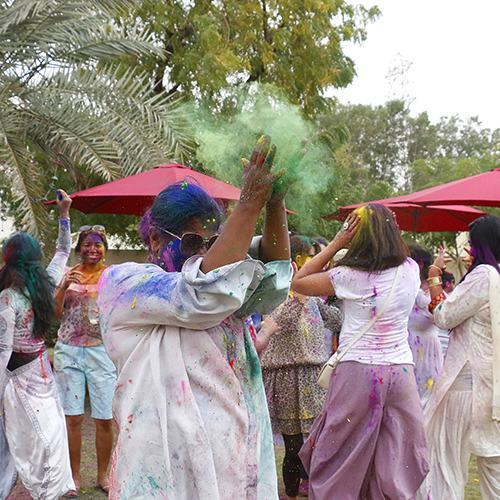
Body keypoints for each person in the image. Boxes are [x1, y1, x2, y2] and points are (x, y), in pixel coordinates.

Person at [97, 136, 293, 500]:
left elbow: (272, 284)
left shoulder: (219, 277)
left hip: (233, 447)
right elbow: (202, 295)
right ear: (155, 240)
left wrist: (274, 203)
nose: (205, 253)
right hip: (164, 458)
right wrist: (249, 203)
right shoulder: (125, 284)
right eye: (192, 242)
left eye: (213, 242)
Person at [293, 204, 429, 500]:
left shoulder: (347, 276)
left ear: (357, 237)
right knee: (395, 455)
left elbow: (299, 281)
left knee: (338, 458)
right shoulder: (410, 269)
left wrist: (336, 243)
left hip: (358, 374)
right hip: (401, 374)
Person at [418, 215, 500, 500]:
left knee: (445, 460)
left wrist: (433, 277)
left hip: (467, 384)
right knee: (493, 466)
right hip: (492, 383)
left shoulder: (483, 276)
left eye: (471, 244)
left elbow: (443, 316)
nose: (468, 251)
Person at [0, 190, 75, 500]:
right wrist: (64, 214)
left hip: (18, 377)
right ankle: (54, 489)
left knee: (16, 442)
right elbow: (62, 250)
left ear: (8, 259)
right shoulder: (45, 282)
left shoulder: (8, 298)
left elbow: (2, 353)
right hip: (42, 369)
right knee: (49, 434)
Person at [260, 235, 342, 500]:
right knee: (294, 448)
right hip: (287, 380)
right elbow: (278, 320)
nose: (322, 263)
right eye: (313, 256)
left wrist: (337, 292)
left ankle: (314, 491)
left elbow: (338, 320)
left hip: (314, 380)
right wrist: (302, 293)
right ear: (298, 262)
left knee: (317, 443)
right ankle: (292, 495)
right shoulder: (279, 298)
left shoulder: (314, 299)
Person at [53, 225, 116, 496]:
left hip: (102, 352)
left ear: (104, 248)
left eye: (98, 244)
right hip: (69, 351)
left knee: (104, 418)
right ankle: (74, 476)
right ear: (79, 248)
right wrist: (63, 286)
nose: (92, 249)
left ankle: (103, 475)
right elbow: (54, 314)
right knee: (73, 419)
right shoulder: (68, 274)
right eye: (87, 244)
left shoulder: (112, 276)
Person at [407, 243, 444, 407]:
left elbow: (439, 314)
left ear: (419, 264)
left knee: (427, 398)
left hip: (428, 352)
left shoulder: (432, 291)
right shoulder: (403, 287)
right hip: (406, 347)